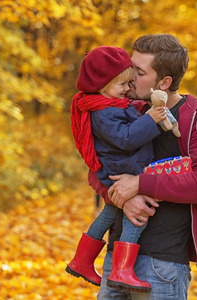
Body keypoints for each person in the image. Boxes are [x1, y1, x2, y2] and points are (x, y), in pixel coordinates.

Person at [88, 34, 197, 299]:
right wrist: (120, 198)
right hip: (115, 255)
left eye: (139, 72)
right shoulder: (125, 109)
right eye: (130, 67)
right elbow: (97, 169)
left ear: (164, 82)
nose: (129, 76)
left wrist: (139, 184)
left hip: (161, 262)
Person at [66, 46, 168, 292]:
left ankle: (82, 261)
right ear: (101, 86)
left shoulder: (108, 104)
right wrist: (151, 119)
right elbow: (126, 138)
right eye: (122, 84)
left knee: (110, 213)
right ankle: (123, 270)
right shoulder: (104, 112)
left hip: (120, 166)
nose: (127, 89)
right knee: (137, 214)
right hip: (123, 169)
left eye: (130, 82)